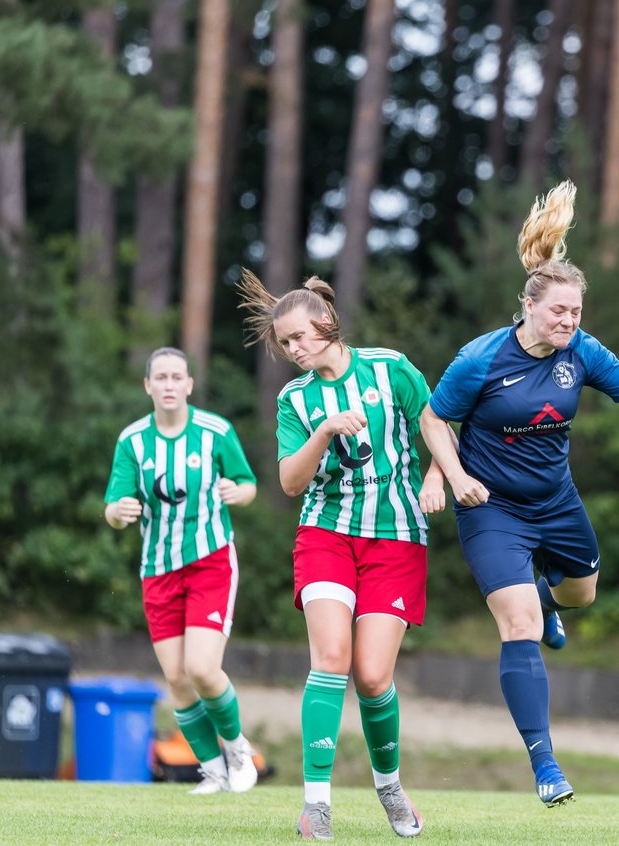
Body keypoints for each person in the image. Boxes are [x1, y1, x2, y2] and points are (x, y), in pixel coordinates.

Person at [418, 180, 619, 807]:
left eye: (575, 314)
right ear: (530, 308)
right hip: (493, 511)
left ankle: (550, 600)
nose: (568, 322)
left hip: (557, 503)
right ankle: (545, 765)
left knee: (582, 594)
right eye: (558, 313)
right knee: (517, 626)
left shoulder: (583, 353)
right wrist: (455, 477)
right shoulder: (480, 359)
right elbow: (435, 419)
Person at [237, 270, 444, 841]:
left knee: (373, 676)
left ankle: (390, 787)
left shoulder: (389, 368)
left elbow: (439, 424)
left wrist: (436, 475)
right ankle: (316, 804)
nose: (294, 349)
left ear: (328, 324)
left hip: (397, 536)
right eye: (285, 343)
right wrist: (324, 431)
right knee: (331, 658)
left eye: (300, 336)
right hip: (326, 534)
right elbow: (289, 482)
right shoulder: (296, 400)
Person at [104, 347, 260, 795]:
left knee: (202, 668)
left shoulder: (215, 432)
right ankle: (212, 769)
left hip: (210, 561)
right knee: (176, 677)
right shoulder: (132, 441)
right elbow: (112, 508)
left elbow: (248, 485)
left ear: (189, 385)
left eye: (177, 377)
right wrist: (120, 511)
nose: (169, 385)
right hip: (158, 568)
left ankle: (237, 749)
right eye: (161, 378)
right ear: (148, 386)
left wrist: (238, 492)